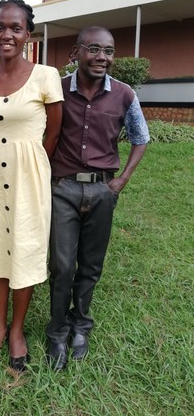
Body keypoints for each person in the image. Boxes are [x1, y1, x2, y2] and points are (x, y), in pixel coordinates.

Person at [46, 26, 150, 371]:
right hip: (62, 188)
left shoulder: (124, 95)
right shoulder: (56, 90)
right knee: (62, 265)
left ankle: (81, 325)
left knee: (91, 265)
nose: (102, 57)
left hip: (104, 191)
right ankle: (57, 330)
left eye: (108, 51)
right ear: (76, 53)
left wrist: (120, 181)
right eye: (94, 49)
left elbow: (141, 138)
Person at [0, 0, 63, 373]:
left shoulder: (46, 75)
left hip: (29, 178)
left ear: (29, 34)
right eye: (0, 27)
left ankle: (17, 331)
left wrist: (35, 163)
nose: (6, 34)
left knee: (23, 248)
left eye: (15, 28)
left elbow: (54, 130)